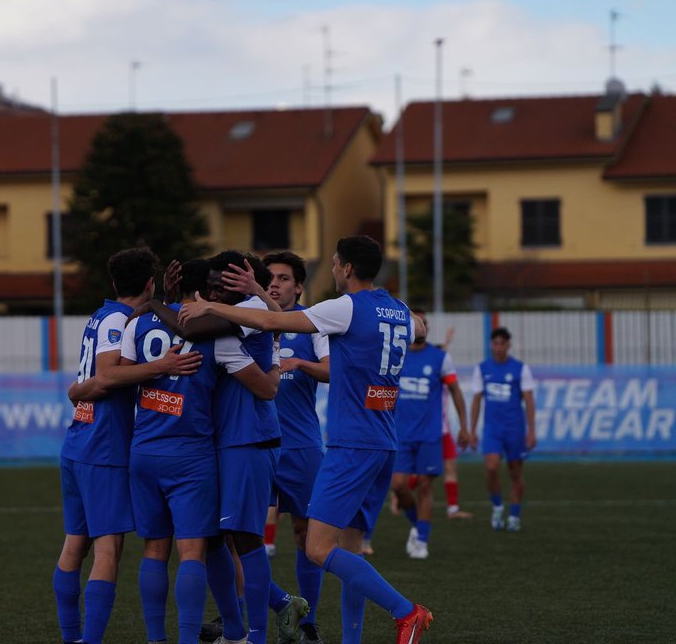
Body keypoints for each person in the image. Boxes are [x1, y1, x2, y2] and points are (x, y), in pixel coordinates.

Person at [181, 235, 434, 644]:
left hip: (351, 444)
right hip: (385, 440)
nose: (333, 270)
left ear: (348, 268)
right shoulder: (399, 309)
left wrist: (210, 304)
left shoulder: (346, 306)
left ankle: (407, 612)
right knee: (349, 550)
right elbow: (421, 327)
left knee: (317, 548)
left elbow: (270, 321)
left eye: (335, 263)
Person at [145, 251, 307, 644]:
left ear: (246, 281)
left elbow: (266, 387)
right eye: (214, 282)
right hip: (224, 442)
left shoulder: (243, 311)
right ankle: (247, 623)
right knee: (216, 538)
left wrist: (154, 304)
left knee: (247, 539)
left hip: (248, 440)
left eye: (226, 281)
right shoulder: (235, 312)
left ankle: (256, 634)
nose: (217, 288)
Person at [55, 247, 202, 644]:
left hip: (78, 441)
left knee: (75, 545)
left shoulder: (104, 315)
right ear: (149, 282)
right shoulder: (119, 320)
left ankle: (72, 638)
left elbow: (95, 379)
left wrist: (76, 390)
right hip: (102, 447)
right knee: (107, 550)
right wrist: (162, 367)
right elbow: (105, 377)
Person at [222, 251, 330, 644]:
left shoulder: (313, 323)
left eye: (284, 278)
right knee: (237, 535)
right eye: (270, 278)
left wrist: (300, 365)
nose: (275, 284)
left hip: (300, 446)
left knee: (306, 535)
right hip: (253, 444)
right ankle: (251, 609)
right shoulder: (245, 319)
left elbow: (334, 370)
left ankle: (308, 623)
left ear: (299, 286)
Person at [389, 311, 470, 559]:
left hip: (430, 434)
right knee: (399, 487)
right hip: (400, 434)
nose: (420, 327)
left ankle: (422, 540)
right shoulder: (395, 357)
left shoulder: (440, 358)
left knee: (425, 486)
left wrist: (464, 427)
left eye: (424, 323)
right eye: (416, 322)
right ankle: (416, 524)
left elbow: (455, 390)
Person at [469, 327, 536, 532]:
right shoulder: (482, 369)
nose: (499, 347)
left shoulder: (520, 369)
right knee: (490, 468)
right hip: (492, 429)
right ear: (491, 345)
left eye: (502, 343)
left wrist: (531, 431)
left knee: (516, 472)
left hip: (514, 428)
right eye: (495, 343)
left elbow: (529, 401)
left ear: (508, 345)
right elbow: (476, 400)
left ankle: (514, 514)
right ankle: (498, 506)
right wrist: (471, 430)